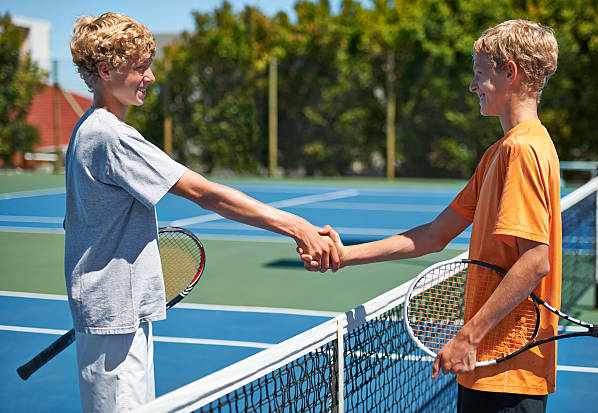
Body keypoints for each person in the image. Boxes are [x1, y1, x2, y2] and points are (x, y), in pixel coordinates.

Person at [65, 12, 338, 412]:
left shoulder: (86, 128)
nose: (151, 77)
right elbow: (206, 194)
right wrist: (296, 226)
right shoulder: (110, 136)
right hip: (115, 320)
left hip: (115, 316)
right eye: (141, 67)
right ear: (106, 71)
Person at [303, 19, 561, 412]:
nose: (473, 87)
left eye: (479, 75)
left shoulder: (522, 151)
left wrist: (469, 337)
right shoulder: (499, 153)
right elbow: (433, 235)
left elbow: (535, 260)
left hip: (504, 371)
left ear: (511, 72)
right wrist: (344, 254)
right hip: (488, 368)